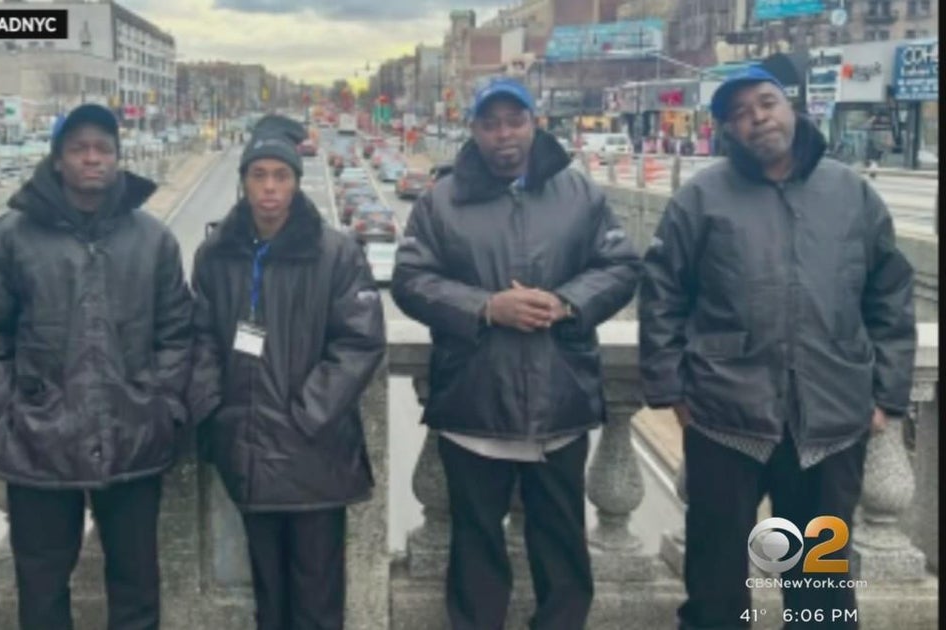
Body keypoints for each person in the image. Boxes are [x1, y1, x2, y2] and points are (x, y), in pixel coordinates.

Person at [638, 66, 916, 630]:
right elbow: (661, 297)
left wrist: (887, 395)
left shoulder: (850, 193)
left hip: (829, 421)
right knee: (716, 588)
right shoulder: (700, 199)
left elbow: (889, 294)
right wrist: (673, 394)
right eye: (740, 113)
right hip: (724, 418)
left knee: (821, 592)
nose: (757, 118)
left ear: (791, 107)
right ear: (727, 130)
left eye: (766, 103)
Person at [391, 77, 641, 630]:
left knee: (563, 548)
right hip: (475, 404)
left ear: (534, 124)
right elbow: (409, 280)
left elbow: (622, 267)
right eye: (490, 124)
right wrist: (486, 307)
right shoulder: (441, 200)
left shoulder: (580, 194)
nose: (504, 134)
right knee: (475, 548)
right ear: (474, 130)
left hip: (559, 403)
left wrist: (568, 302)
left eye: (514, 121)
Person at [0, 103, 193, 629]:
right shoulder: (9, 239)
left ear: (118, 157)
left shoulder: (153, 240)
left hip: (132, 433)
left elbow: (178, 332)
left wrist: (162, 406)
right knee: (41, 589)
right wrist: (3, 419)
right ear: (58, 159)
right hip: (38, 443)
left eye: (103, 148)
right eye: (79, 148)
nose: (92, 158)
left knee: (136, 585)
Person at [187, 115, 386, 630]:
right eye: (259, 175)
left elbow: (359, 342)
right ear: (244, 181)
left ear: (297, 182)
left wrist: (306, 415)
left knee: (317, 597)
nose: (270, 188)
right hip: (247, 448)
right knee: (268, 594)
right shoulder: (216, 255)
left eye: (281, 175)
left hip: (313, 453)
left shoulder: (335, 253)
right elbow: (200, 337)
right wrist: (215, 410)